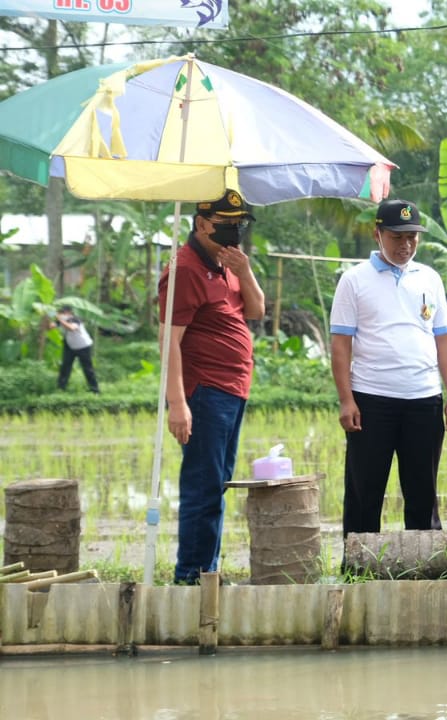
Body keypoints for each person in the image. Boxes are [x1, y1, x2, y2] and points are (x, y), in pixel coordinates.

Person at [330, 199, 447, 538]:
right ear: (377, 234)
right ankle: (358, 569)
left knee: (423, 491)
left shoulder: (429, 279)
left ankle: (427, 567)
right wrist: (347, 400)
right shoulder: (354, 280)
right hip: (372, 399)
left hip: (423, 398)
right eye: (396, 238)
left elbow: (444, 341)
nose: (405, 246)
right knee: (364, 491)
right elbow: (341, 345)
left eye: (412, 238)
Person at [159, 189, 265, 585]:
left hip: (233, 390)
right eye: (226, 225)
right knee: (204, 486)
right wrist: (177, 404)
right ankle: (191, 576)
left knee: (216, 482)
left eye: (239, 224)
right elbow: (168, 339)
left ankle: (208, 573)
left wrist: (246, 271)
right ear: (202, 224)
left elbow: (256, 310)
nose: (235, 231)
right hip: (205, 392)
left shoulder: (226, 263)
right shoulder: (185, 268)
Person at [55, 305, 100, 393]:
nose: (61, 314)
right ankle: (61, 388)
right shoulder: (62, 321)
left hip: (83, 346)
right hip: (70, 346)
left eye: (63, 313)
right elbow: (50, 326)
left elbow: (72, 328)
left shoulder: (75, 319)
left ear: (69, 313)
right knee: (65, 367)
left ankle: (95, 390)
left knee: (87, 368)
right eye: (60, 313)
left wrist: (60, 319)